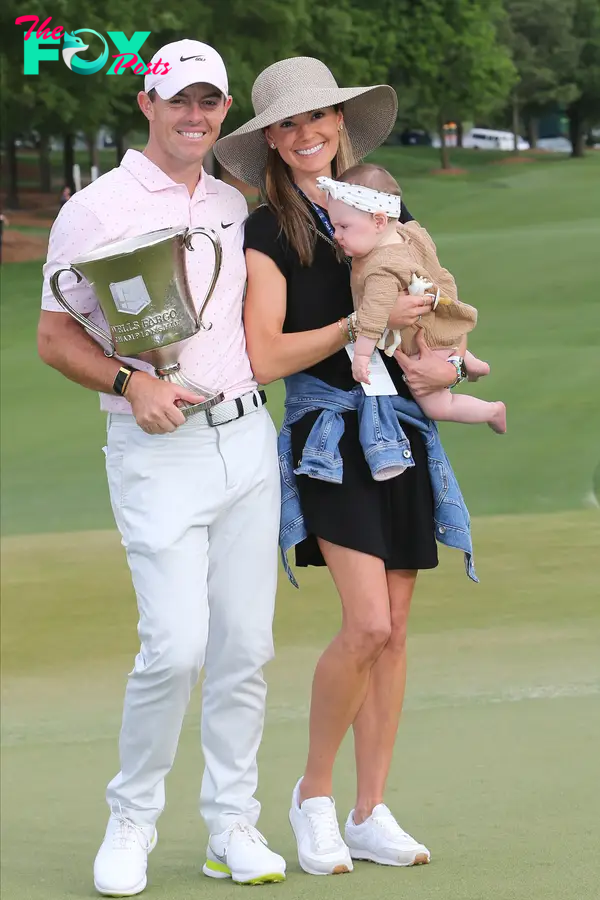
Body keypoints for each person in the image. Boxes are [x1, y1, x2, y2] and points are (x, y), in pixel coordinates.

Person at [214, 56, 476, 877]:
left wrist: (438, 347)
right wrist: (359, 328)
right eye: (286, 124)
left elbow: (426, 303)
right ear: (269, 142)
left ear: (339, 123)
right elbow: (263, 355)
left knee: (394, 631)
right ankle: (314, 798)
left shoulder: (384, 206)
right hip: (328, 438)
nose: (305, 134)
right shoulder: (265, 231)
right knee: (365, 623)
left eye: (316, 118)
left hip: (400, 430)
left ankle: (371, 810)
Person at [37, 39, 285, 896]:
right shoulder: (94, 208)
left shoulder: (231, 197)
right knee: (177, 647)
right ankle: (132, 820)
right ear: (147, 100)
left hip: (248, 439)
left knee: (246, 647)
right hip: (156, 449)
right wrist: (125, 380)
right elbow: (53, 335)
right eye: (179, 99)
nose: (195, 116)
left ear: (223, 112)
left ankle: (232, 826)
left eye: (210, 102)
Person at [317, 165, 507, 434]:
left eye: (344, 226)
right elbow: (438, 270)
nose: (337, 235)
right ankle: (469, 362)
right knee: (445, 347)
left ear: (379, 221)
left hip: (422, 347)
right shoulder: (410, 234)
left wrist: (360, 357)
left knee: (439, 407)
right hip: (442, 327)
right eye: (335, 226)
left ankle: (492, 410)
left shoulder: (380, 267)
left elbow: (372, 317)